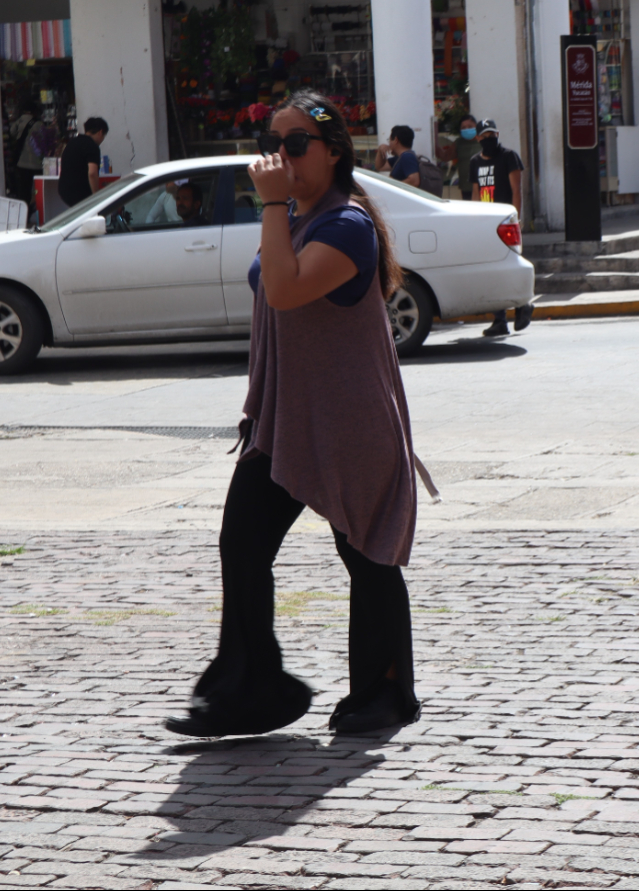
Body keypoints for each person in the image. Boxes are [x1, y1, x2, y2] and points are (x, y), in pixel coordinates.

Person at [165, 91, 424, 738]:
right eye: (272, 143)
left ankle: (385, 691)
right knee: (242, 544)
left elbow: (282, 289)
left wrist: (274, 204)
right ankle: (252, 687)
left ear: (333, 153)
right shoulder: (301, 220)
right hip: (283, 420)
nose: (279, 156)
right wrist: (279, 209)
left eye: (297, 143)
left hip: (350, 421)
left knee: (366, 555)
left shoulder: (346, 226)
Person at [469, 118, 534, 337]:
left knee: (511, 266)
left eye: (492, 134)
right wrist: (475, 220)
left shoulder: (509, 157)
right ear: (478, 138)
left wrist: (515, 218)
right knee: (491, 270)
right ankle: (500, 319)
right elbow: (476, 192)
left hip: (506, 222)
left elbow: (517, 189)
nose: (489, 139)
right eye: (485, 136)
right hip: (486, 222)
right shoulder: (474, 162)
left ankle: (523, 305)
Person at [57, 117, 108, 208]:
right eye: (104, 135)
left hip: (64, 190)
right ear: (100, 132)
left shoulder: (72, 142)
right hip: (80, 191)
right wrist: (96, 195)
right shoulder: (92, 146)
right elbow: (92, 173)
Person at [8, 101, 42, 206]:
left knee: (23, 190)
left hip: (22, 163)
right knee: (39, 189)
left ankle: (24, 213)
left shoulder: (18, 122)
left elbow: (11, 133)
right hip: (37, 163)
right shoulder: (38, 124)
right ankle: (38, 210)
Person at [375, 124, 421, 188]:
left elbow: (414, 180)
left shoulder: (407, 157)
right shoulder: (399, 158)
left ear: (396, 140)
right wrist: (380, 151)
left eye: (390, 140)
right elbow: (380, 167)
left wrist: (393, 187)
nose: (389, 144)